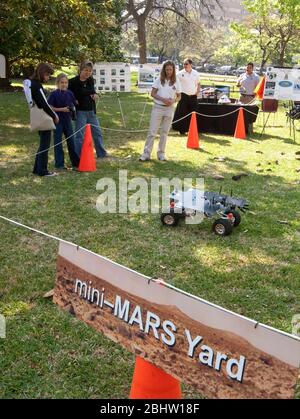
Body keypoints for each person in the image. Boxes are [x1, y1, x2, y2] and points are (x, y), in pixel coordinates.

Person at [139, 61, 181, 162]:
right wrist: (163, 99)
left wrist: (173, 100)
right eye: (167, 69)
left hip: (169, 109)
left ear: (173, 70)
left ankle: (161, 153)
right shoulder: (159, 79)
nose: (169, 71)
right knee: (152, 132)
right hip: (158, 108)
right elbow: (153, 93)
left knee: (164, 132)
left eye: (171, 69)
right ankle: (146, 153)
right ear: (164, 70)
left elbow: (179, 96)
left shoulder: (176, 81)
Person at [68, 61, 107, 159]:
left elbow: (93, 92)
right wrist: (75, 100)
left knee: (97, 132)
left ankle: (101, 154)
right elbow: (69, 96)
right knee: (79, 135)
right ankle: (79, 156)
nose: (88, 73)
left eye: (90, 71)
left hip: (91, 111)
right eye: (86, 70)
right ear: (80, 70)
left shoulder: (90, 80)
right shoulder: (73, 82)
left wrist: (96, 95)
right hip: (80, 112)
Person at [29, 63, 59, 177]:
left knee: (42, 143)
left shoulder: (33, 84)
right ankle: (43, 170)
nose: (48, 77)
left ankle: (37, 168)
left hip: (38, 116)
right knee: (45, 145)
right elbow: (44, 104)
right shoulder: (37, 86)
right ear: (42, 73)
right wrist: (54, 115)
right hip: (43, 117)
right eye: (47, 75)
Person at [48, 73, 80, 170]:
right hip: (57, 121)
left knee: (71, 141)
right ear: (57, 83)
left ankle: (75, 162)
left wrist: (74, 106)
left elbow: (74, 103)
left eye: (66, 82)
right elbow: (50, 107)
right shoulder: (54, 94)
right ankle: (59, 164)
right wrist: (61, 109)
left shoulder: (70, 93)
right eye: (62, 82)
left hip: (68, 121)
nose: (64, 84)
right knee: (58, 142)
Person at [173, 58, 201, 135]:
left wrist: (197, 91)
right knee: (182, 113)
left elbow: (198, 83)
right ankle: (182, 130)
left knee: (194, 113)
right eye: (184, 64)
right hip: (184, 96)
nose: (184, 65)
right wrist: (177, 93)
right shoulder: (179, 73)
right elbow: (175, 83)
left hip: (193, 96)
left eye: (186, 64)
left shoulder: (195, 73)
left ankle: (193, 129)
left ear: (190, 64)